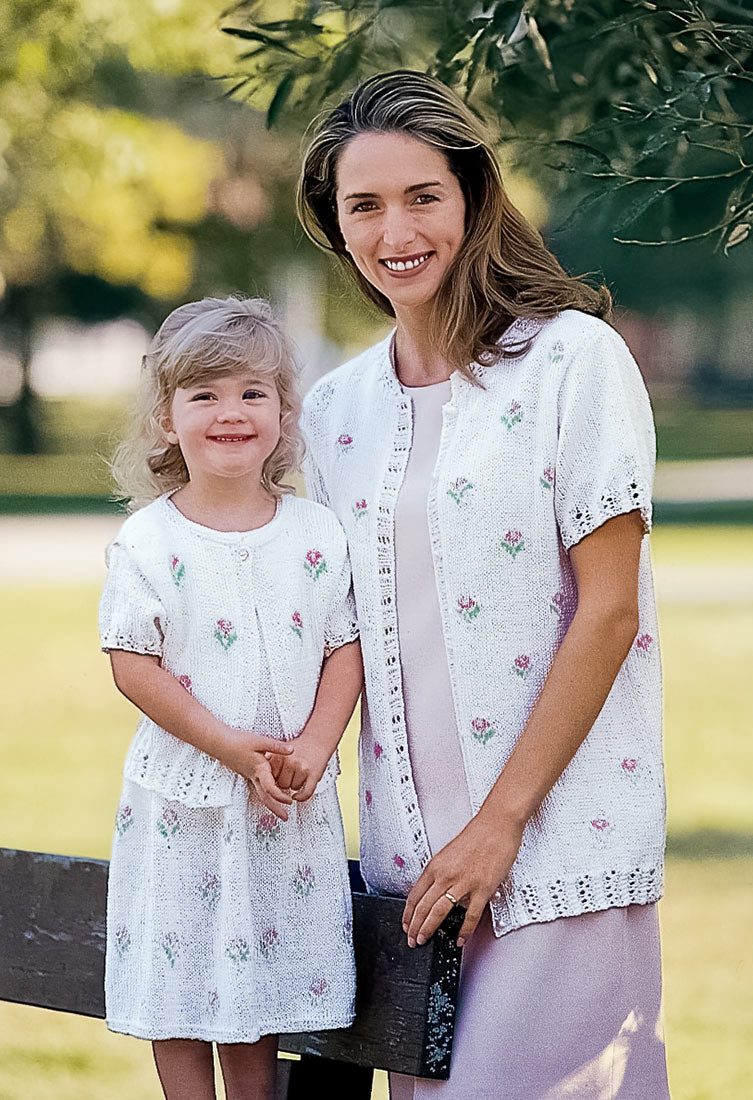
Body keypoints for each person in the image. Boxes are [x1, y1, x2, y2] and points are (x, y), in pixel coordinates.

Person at [298, 71, 670, 1099]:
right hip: (410, 877)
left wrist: (500, 823)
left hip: (557, 849)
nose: (396, 231)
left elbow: (610, 610)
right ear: (335, 224)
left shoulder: (571, 361)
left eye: (423, 196)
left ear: (472, 197)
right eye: (365, 205)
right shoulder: (333, 409)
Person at [98, 296, 361, 1100]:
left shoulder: (316, 534)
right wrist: (225, 745)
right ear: (166, 420)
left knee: (259, 984)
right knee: (177, 975)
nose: (231, 412)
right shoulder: (150, 540)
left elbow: (343, 647)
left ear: (284, 412)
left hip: (282, 804)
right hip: (180, 806)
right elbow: (131, 663)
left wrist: (314, 744)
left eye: (252, 393)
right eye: (204, 395)